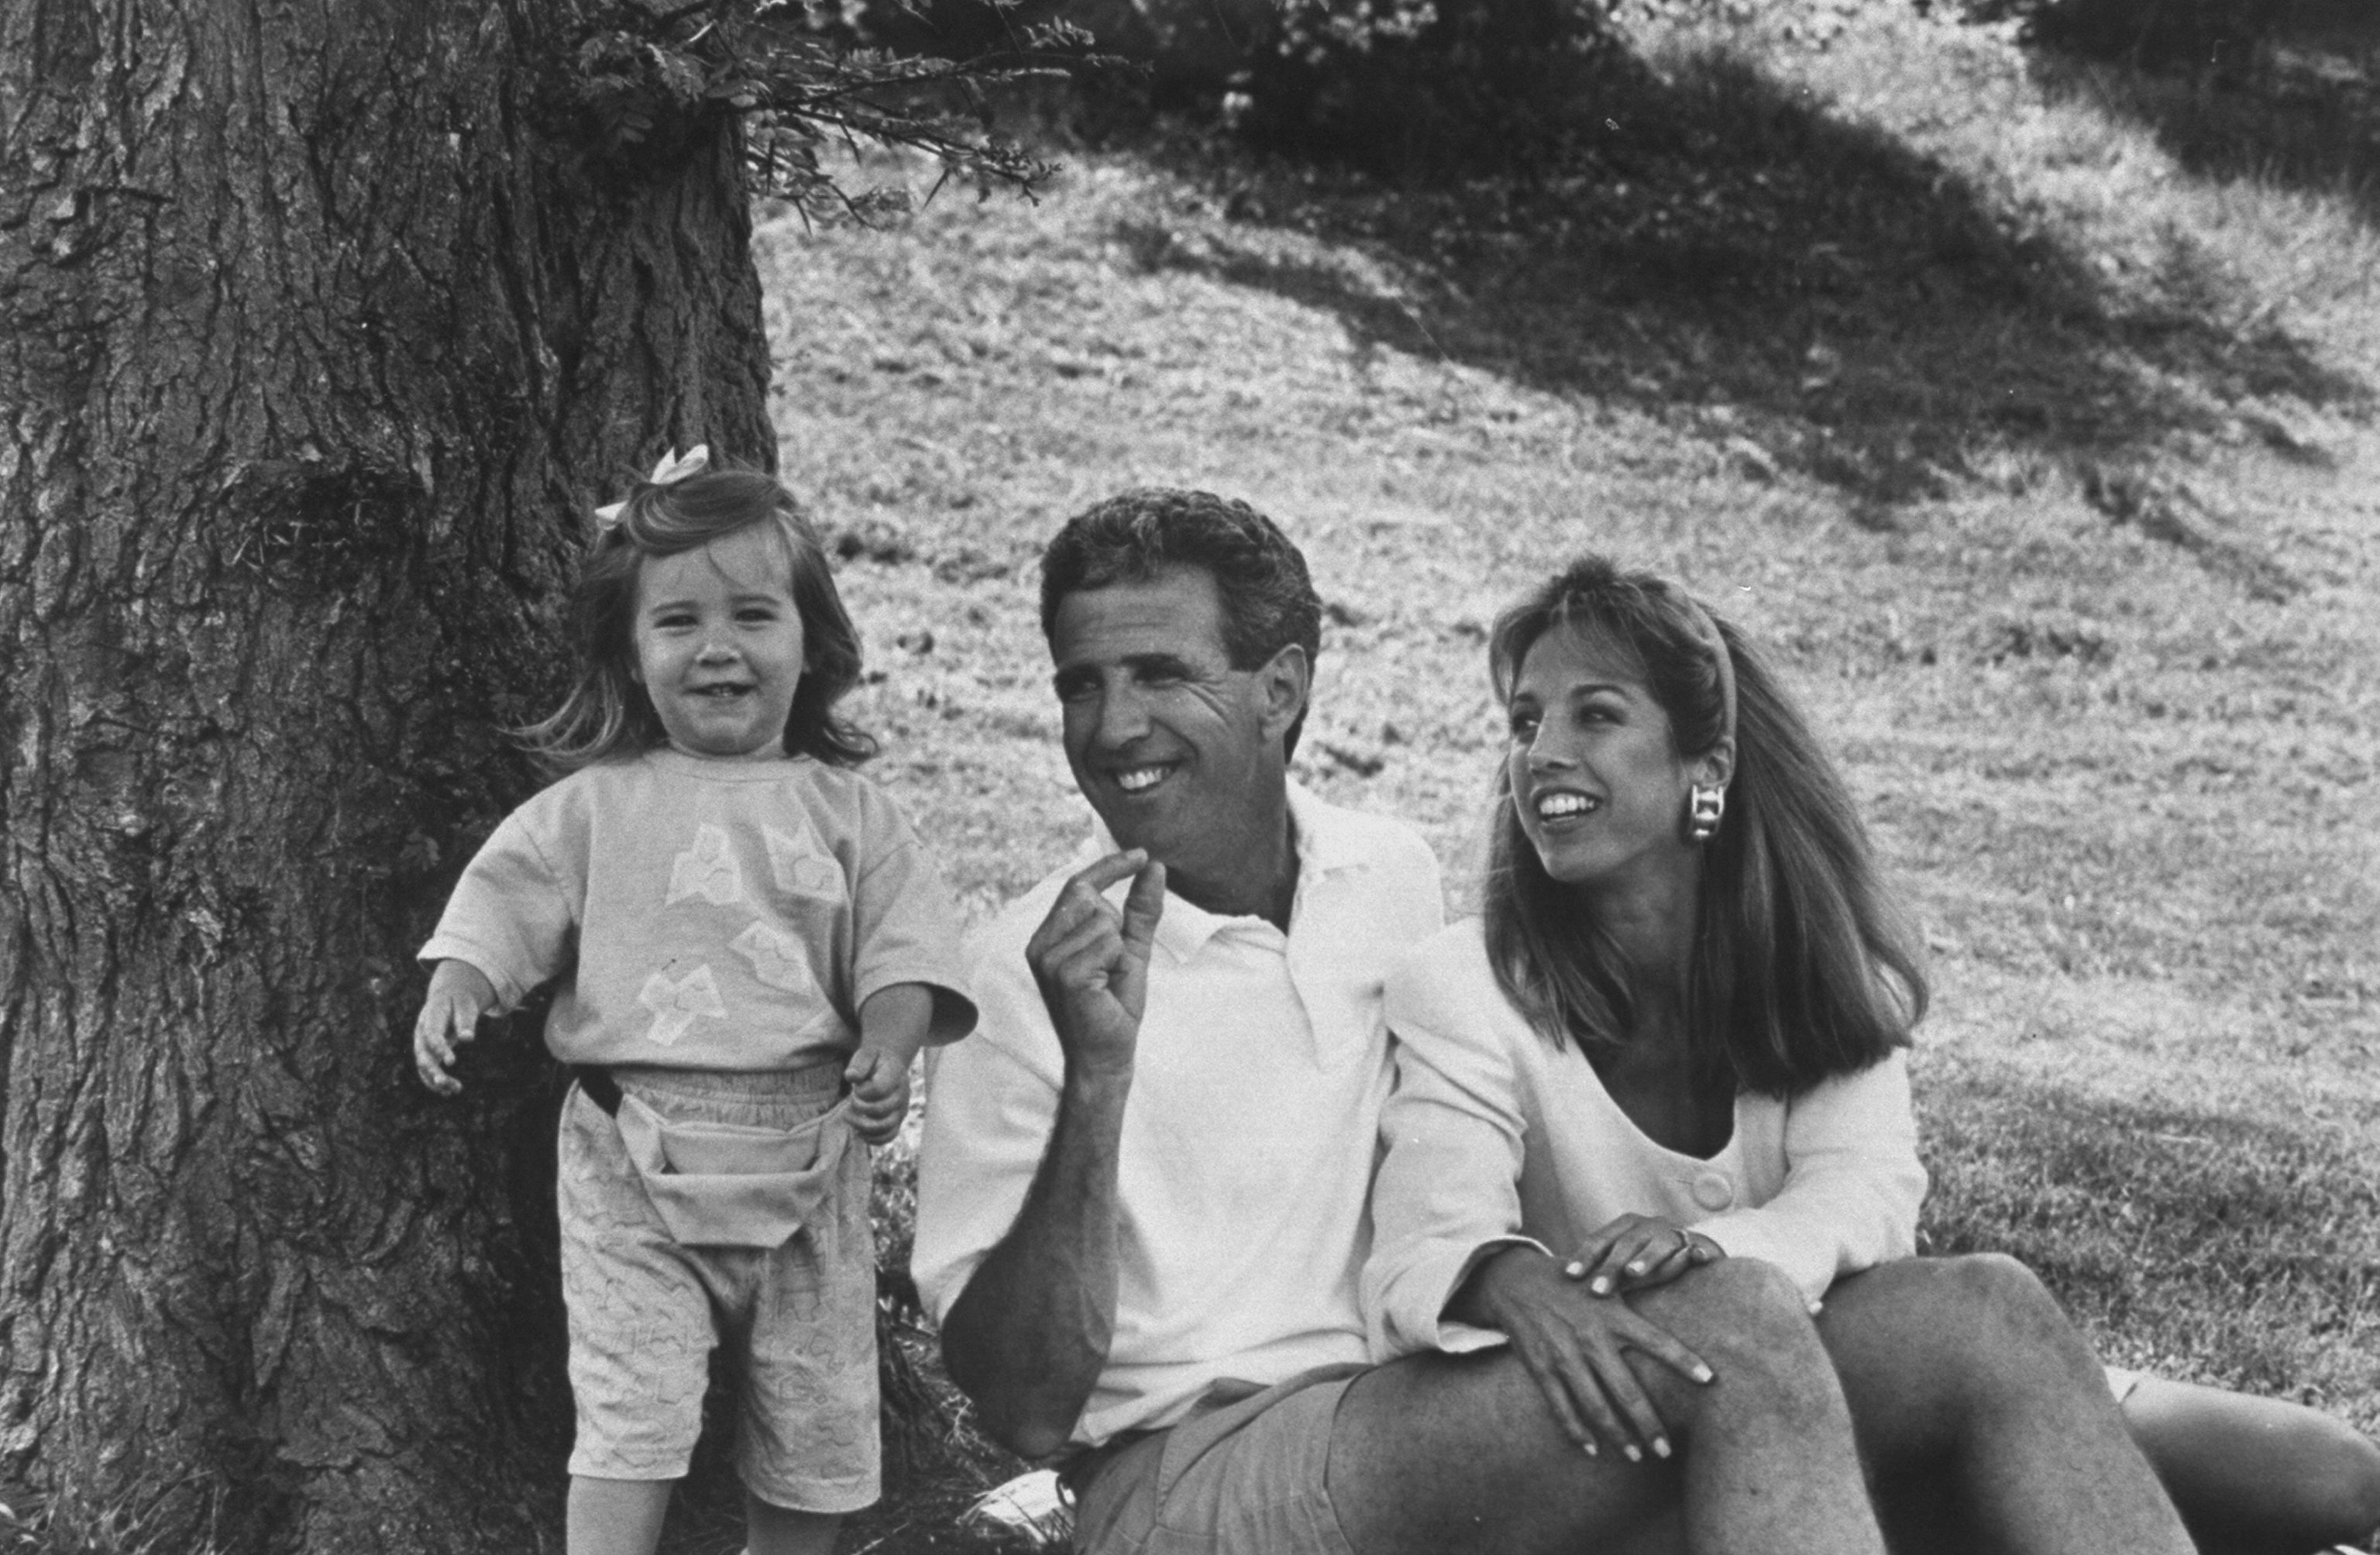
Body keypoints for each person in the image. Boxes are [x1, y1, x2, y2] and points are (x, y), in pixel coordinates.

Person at [913, 490, 2207, 1555]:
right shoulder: (1023, 971)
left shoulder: (1390, 878)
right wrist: (1100, 1078)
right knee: (1741, 1333)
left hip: (1431, 1404)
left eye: (1158, 675)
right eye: (1081, 684)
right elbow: (1025, 1407)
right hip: (1196, 1477)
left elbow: (1465, 1164)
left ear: (1281, 688)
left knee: (1981, 1309)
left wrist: (1535, 1279)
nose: (1111, 727)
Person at [1366, 552, 2380, 1555]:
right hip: (1637, 1412)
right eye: (1525, 721)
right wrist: (1511, 1276)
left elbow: (1865, 1197)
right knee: (1987, 1308)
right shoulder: (1465, 983)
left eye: (1595, 715)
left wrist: (1719, 1254)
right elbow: (1433, 1237)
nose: (1542, 751)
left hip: (1859, 1349)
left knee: (2330, 1480)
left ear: (1705, 769)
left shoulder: (1806, 966)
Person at [411, 449, 976, 1555]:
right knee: (631, 1408)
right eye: (678, 623)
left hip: (808, 1156)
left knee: (815, 1419)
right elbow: (506, 899)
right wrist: (462, 980)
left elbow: (907, 947)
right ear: (630, 652)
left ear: (812, 643)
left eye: (754, 616)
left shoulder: (851, 814)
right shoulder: (593, 809)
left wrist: (894, 1039)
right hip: (635, 1156)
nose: (718, 648)